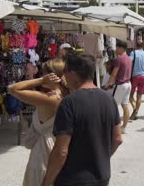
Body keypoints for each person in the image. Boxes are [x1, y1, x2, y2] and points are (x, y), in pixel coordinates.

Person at [41, 52, 122, 186]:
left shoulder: (68, 103)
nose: (64, 76)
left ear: (72, 73)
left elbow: (61, 150)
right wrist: (101, 159)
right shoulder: (109, 99)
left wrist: (47, 182)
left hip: (73, 179)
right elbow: (118, 139)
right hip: (102, 176)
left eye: (64, 71)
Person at [7, 59, 69, 186]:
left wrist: (40, 81)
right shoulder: (65, 96)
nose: (42, 77)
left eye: (45, 74)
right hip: (56, 146)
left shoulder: (50, 99)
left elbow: (12, 89)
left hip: (44, 151)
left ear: (52, 76)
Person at [103, 41, 132, 134]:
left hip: (120, 85)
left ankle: (113, 128)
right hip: (128, 84)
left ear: (121, 48)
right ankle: (124, 127)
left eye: (117, 47)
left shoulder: (119, 59)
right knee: (125, 106)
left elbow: (113, 74)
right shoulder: (129, 58)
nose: (116, 50)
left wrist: (107, 85)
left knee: (113, 107)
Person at [129, 41, 144, 120]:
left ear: (136, 45)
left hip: (134, 76)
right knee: (139, 96)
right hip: (143, 76)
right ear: (143, 46)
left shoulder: (133, 53)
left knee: (130, 95)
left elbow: (129, 62)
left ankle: (134, 108)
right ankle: (136, 111)